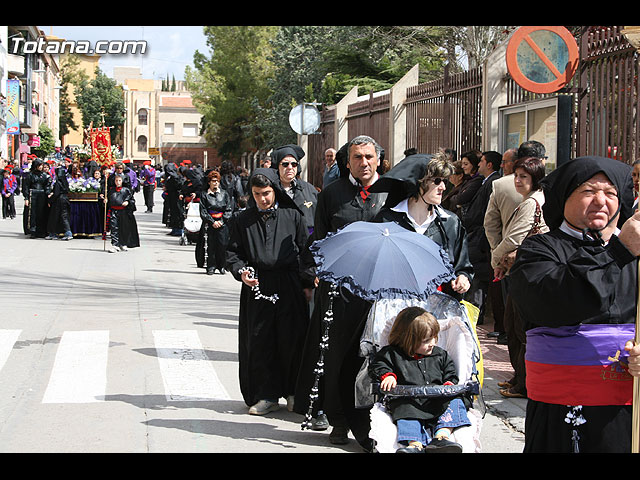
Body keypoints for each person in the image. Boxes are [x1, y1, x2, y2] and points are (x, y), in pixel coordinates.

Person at [509, 155, 640, 453]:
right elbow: (554, 303)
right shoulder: (540, 249)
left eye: (610, 193)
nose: (600, 201)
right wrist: (618, 253)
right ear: (565, 196)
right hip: (561, 406)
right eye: (588, 191)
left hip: (628, 408)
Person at [294, 135, 388, 451]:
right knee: (338, 356)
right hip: (339, 290)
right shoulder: (332, 195)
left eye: (369, 157)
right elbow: (318, 241)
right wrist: (318, 274)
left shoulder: (391, 193)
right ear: (347, 162)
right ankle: (339, 420)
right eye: (357, 157)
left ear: (378, 159)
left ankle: (374, 421)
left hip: (379, 290)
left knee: (373, 357)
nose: (363, 163)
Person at [226, 167, 314, 415]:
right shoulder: (242, 220)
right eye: (256, 194)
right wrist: (241, 271)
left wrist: (307, 283)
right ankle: (266, 395)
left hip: (289, 284)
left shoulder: (293, 216)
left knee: (292, 340)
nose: (262, 199)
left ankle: (294, 393)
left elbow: (305, 253)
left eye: (266, 193)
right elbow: (232, 253)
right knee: (260, 341)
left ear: (274, 191)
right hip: (258, 286)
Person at [368, 306, 472, 453]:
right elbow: (377, 365)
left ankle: (441, 437)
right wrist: (388, 375)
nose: (433, 343)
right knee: (403, 408)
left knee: (456, 401)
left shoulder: (440, 355)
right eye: (427, 340)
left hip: (438, 398)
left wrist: (449, 384)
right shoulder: (392, 354)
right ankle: (414, 444)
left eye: (435, 337)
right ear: (407, 340)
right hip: (410, 400)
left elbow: (450, 371)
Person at [371, 152, 473, 301]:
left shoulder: (450, 222)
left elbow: (462, 266)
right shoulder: (386, 220)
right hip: (394, 307)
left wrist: (463, 279)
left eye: (445, 181)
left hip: (438, 310)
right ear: (418, 182)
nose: (443, 187)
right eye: (437, 181)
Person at [490, 157, 548, 399]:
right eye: (516, 175)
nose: (518, 180)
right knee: (512, 325)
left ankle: (524, 382)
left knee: (520, 328)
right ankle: (519, 376)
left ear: (535, 179)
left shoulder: (532, 203)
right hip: (519, 270)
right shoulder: (529, 201)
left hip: (528, 273)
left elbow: (514, 239)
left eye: (524, 177)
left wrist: (495, 260)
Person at [483, 147, 521, 343]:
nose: (502, 165)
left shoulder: (501, 185)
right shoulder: (541, 186)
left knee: (509, 300)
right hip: (522, 255)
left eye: (505, 162)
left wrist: (497, 253)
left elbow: (490, 223)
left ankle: (508, 333)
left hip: (506, 255)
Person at [462, 151, 502, 325]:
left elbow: (483, 211)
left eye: (482, 162)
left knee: (480, 276)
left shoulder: (493, 182)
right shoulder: (485, 182)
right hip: (477, 233)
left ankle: (476, 312)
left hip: (482, 236)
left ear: (490, 164)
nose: (478, 165)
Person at [270, 144, 318, 236]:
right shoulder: (269, 190)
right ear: (277, 166)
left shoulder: (309, 189)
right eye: (285, 164)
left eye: (294, 164)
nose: (290, 167)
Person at [197, 170, 233, 275]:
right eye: (213, 181)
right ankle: (211, 266)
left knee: (223, 245)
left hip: (222, 224)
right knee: (211, 246)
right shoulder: (204, 195)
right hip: (210, 223)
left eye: (217, 181)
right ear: (209, 182)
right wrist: (212, 221)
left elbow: (228, 209)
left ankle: (222, 266)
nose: (215, 183)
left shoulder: (224, 194)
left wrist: (221, 221)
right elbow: (203, 211)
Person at [443, 150, 483, 219]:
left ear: (474, 164)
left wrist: (456, 200)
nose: (463, 166)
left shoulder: (477, 180)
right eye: (462, 164)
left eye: (466, 164)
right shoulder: (468, 180)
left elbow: (461, 199)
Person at [107, 173, 140, 253]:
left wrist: (128, 202)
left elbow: (132, 200)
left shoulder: (126, 190)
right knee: (114, 228)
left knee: (124, 228)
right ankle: (115, 244)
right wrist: (105, 201)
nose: (118, 182)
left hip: (123, 212)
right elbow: (108, 200)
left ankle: (123, 243)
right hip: (114, 211)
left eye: (119, 180)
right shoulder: (111, 190)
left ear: (122, 181)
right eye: (116, 180)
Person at [23, 158, 52, 238]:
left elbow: (47, 186)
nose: (40, 167)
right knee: (33, 213)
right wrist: (26, 198)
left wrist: (48, 193)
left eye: (41, 165)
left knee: (41, 213)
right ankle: (33, 230)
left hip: (42, 195)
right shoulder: (30, 175)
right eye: (39, 165)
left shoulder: (45, 175)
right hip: (33, 194)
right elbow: (26, 187)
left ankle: (41, 231)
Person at [46, 166, 73, 241]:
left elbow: (56, 193)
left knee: (55, 217)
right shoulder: (65, 182)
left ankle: (54, 233)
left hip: (58, 201)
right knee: (64, 217)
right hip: (65, 200)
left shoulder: (58, 182)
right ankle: (67, 233)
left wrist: (50, 200)